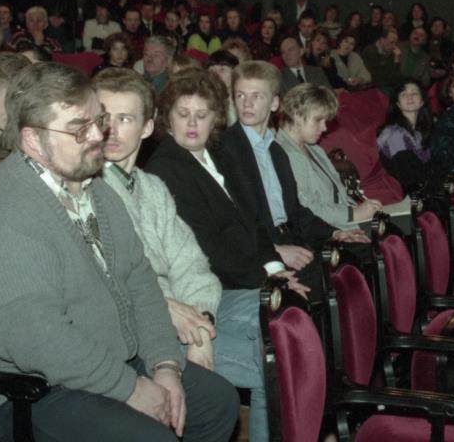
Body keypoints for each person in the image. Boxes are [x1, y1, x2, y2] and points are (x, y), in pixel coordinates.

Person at [0, 62, 239, 442]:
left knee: (218, 402)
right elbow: (36, 338)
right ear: (33, 140)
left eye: (96, 121)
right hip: (27, 389)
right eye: (78, 129)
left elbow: (140, 282)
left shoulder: (93, 188)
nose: (97, 136)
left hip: (104, 359)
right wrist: (129, 388)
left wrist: (165, 364)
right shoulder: (5, 218)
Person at [146, 68, 301, 442]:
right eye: (183, 114)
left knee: (292, 320)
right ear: (167, 119)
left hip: (242, 278)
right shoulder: (166, 168)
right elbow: (209, 250)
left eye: (202, 115)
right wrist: (268, 280)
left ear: (215, 118)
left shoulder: (217, 154)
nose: (192, 124)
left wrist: (275, 267)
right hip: (211, 288)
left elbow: (254, 220)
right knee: (277, 349)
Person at [94, 68, 223, 373]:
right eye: (103, 118)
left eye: (125, 119)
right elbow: (111, 280)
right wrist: (171, 311)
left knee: (279, 328)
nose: (110, 130)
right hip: (140, 327)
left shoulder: (153, 187)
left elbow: (190, 263)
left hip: (188, 312)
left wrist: (200, 322)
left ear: (147, 127)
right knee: (271, 354)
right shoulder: (86, 189)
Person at [215, 61, 368, 303]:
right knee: (332, 280)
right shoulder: (225, 150)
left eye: (257, 96)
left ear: (274, 103)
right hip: (263, 248)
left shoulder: (275, 151)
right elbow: (236, 221)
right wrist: (275, 251)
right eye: (240, 95)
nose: (247, 103)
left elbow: (297, 211)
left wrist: (335, 232)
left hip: (291, 238)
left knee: (362, 252)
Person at [277, 83, 382, 228]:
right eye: (318, 120)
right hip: (324, 232)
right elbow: (306, 208)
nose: (324, 128)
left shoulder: (314, 148)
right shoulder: (285, 154)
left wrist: (362, 207)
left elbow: (339, 194)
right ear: (297, 115)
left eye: (325, 121)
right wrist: (353, 214)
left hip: (339, 225)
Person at [377, 79, 434, 194]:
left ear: (422, 102)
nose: (410, 97)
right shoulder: (393, 133)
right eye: (404, 94)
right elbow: (407, 174)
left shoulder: (421, 133)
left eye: (414, 93)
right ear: (398, 103)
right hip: (401, 193)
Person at [360, 28, 402, 93]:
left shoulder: (393, 54)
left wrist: (396, 61)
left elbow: (395, 80)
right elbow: (376, 79)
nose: (394, 46)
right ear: (382, 40)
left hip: (387, 87)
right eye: (391, 42)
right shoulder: (370, 51)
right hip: (372, 88)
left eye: (396, 43)